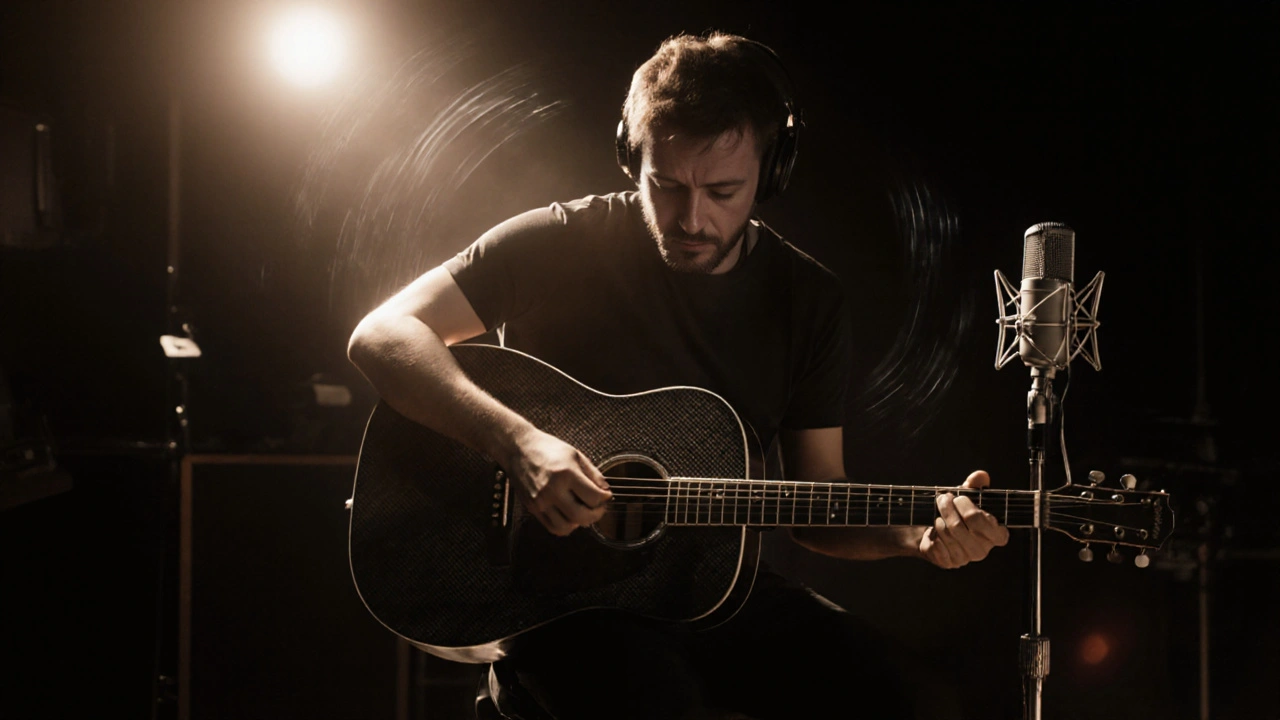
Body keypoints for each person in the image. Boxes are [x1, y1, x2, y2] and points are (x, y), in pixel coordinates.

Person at [347, 31, 1009, 720]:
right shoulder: (558, 242)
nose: (692, 219)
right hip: (562, 608)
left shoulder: (807, 300)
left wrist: (916, 536)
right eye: (665, 185)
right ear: (632, 155)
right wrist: (517, 444)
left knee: (919, 705)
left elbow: (820, 504)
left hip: (714, 598)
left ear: (772, 171)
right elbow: (383, 334)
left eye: (723, 191)